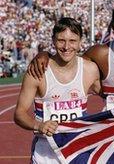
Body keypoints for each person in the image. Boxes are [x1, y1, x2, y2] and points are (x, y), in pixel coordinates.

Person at [27, 0, 114, 163]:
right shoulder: (99, 53)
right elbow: (70, 62)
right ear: (113, 24)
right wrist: (44, 54)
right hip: (112, 130)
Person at [14, 17, 101, 163]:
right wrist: (39, 125)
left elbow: (112, 95)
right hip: (46, 155)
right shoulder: (37, 72)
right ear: (53, 40)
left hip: (79, 152)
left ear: (80, 42)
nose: (67, 47)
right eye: (61, 40)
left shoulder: (90, 70)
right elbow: (19, 114)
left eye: (72, 41)